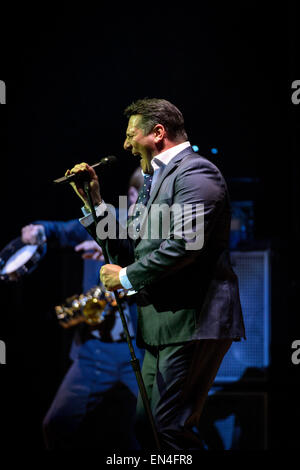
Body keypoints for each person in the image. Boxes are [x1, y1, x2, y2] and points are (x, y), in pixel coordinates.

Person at [68, 98, 246, 451]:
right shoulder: (155, 181)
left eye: (130, 134)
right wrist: (94, 202)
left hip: (193, 322)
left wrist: (127, 278)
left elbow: (186, 245)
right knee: (148, 426)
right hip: (164, 326)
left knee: (169, 429)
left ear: (158, 133)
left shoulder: (196, 173)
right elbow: (130, 249)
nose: (125, 144)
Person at [21, 171, 144, 450]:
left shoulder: (153, 234)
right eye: (135, 198)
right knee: (56, 424)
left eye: (145, 200)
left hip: (136, 351)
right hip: (94, 350)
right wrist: (41, 230)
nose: (137, 207)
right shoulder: (107, 219)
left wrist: (115, 259)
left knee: (154, 428)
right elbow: (66, 230)